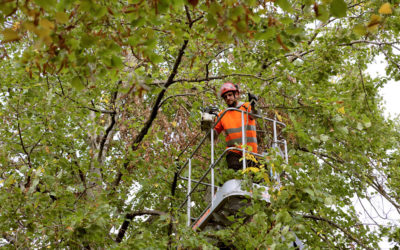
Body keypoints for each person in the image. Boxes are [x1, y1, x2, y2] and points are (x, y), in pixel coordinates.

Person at [214, 82, 258, 171]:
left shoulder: (246, 106)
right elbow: (213, 135)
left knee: (256, 179)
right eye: (225, 97)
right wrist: (207, 124)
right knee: (236, 177)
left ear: (236, 94)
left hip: (251, 152)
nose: (228, 98)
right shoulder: (223, 114)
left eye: (230, 95)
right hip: (233, 152)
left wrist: (253, 104)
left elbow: (255, 115)